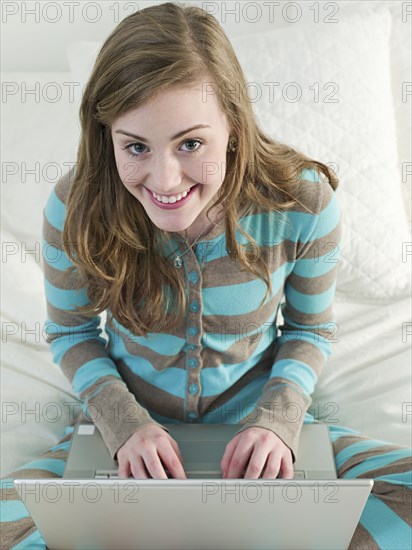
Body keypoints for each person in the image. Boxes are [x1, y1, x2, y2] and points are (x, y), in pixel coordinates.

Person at [1, 2, 411, 549]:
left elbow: (310, 330)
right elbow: (73, 333)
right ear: (107, 138)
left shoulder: (303, 201)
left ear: (234, 127)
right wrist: (125, 427)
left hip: (263, 434)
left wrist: (277, 423)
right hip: (119, 437)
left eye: (190, 143)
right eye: (136, 147)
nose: (164, 179)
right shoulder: (74, 207)